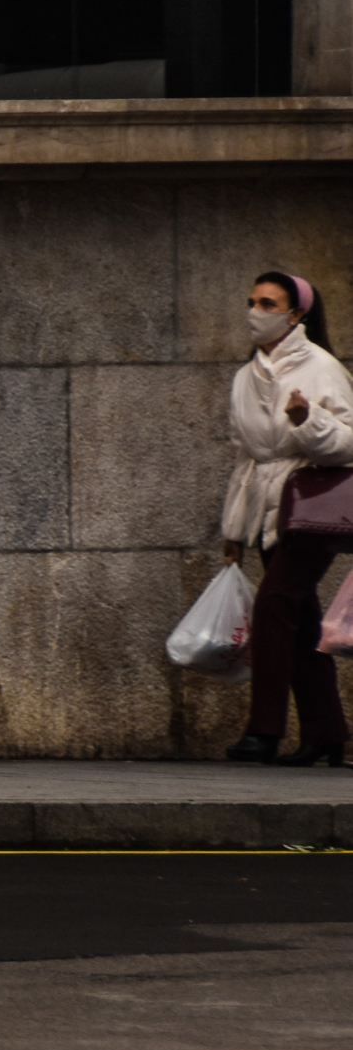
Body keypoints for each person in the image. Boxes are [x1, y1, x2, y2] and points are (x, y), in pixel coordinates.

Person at [217, 272, 353, 765]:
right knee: (298, 621)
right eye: (251, 300)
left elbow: (348, 442)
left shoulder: (322, 368)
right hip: (264, 510)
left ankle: (264, 730)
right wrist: (233, 530)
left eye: (268, 303)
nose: (255, 310)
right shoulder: (244, 377)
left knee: (274, 611)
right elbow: (243, 457)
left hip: (310, 508)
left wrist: (307, 421)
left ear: (295, 314)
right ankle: (326, 735)